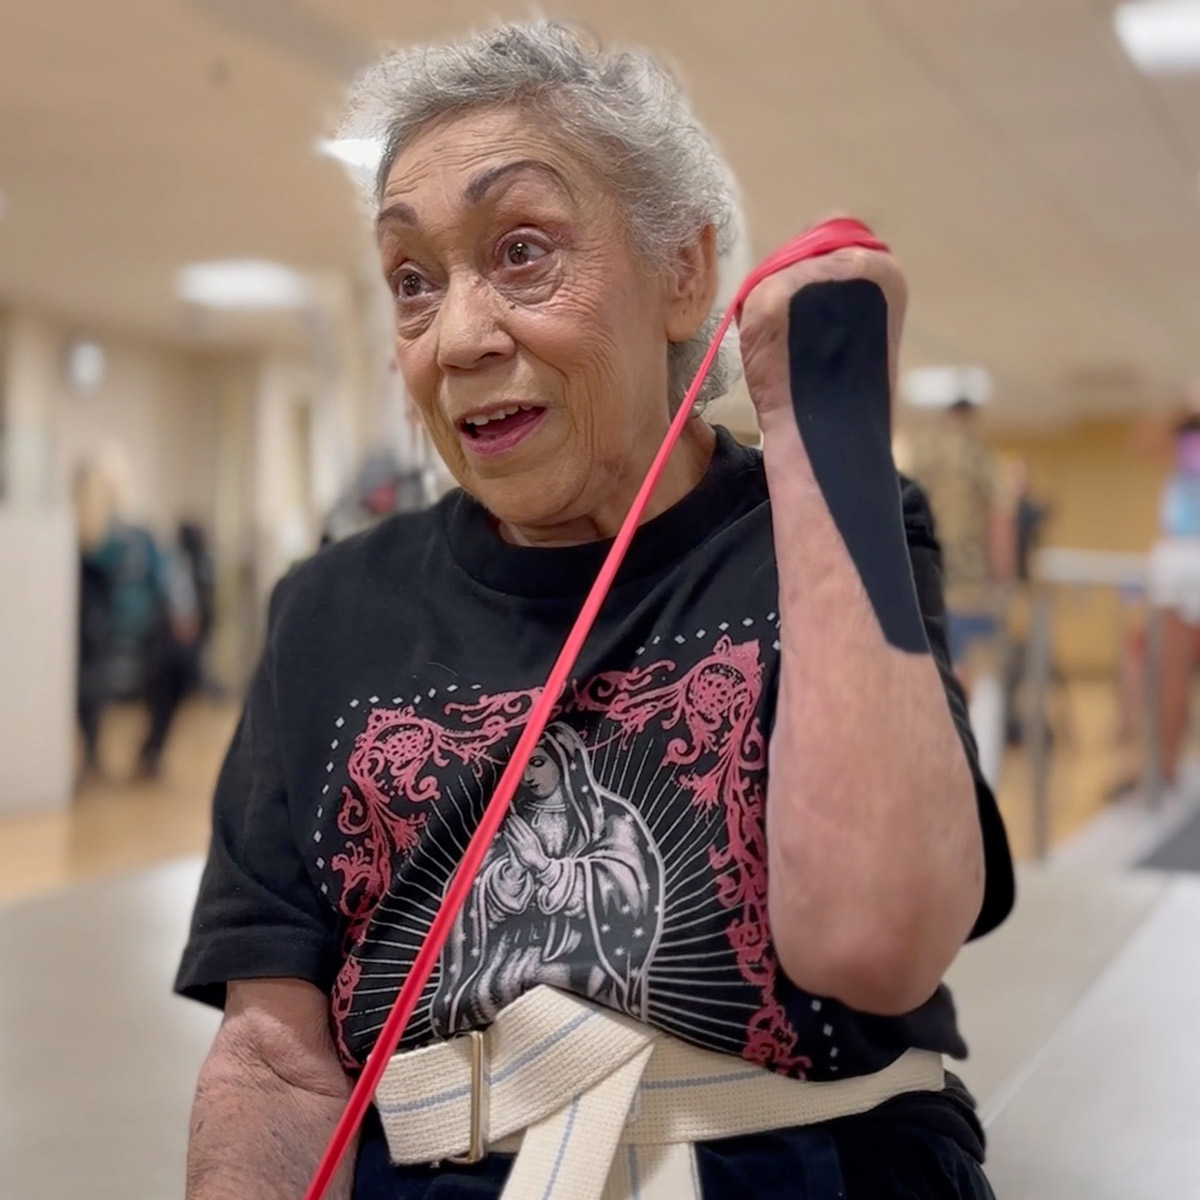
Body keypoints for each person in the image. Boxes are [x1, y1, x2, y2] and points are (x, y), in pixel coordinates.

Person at [176, 22, 1012, 1200]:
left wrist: (821, 425)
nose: (457, 337)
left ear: (683, 274)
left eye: (522, 252)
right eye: (413, 282)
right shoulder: (327, 611)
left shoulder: (809, 530)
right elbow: (270, 1060)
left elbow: (880, 939)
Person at [905, 399, 1017, 677]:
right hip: (970, 590)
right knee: (969, 676)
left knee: (930, 674)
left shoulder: (920, 455)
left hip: (923, 584)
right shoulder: (983, 458)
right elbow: (999, 526)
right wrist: (1005, 583)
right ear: (972, 418)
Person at [1148, 414, 1200, 787]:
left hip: (1180, 564)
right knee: (1172, 678)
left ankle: (1167, 765)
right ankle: (1166, 765)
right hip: (1179, 564)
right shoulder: (1178, 463)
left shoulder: (1179, 459)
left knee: (1173, 677)